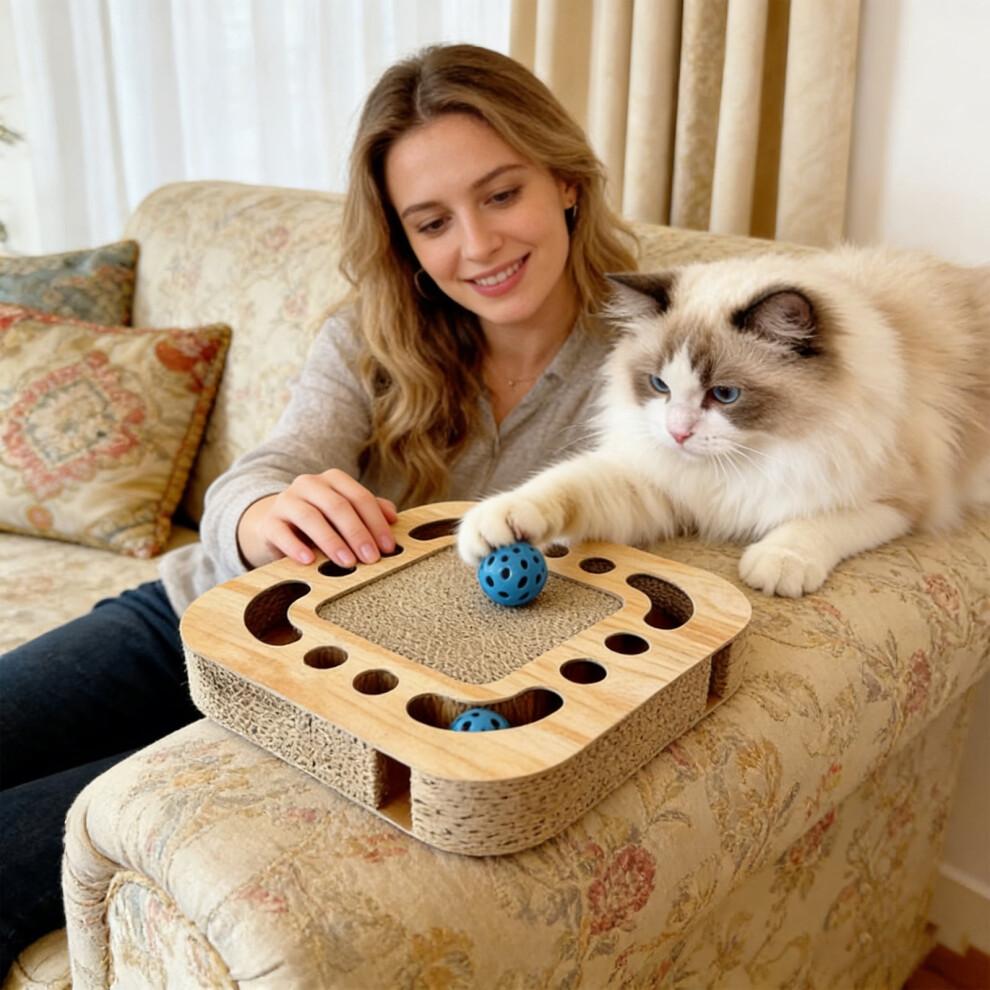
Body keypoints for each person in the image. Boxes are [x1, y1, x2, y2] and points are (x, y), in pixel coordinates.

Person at [0, 42, 637, 973]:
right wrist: (263, 514)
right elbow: (267, 470)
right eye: (432, 222)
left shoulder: (658, 363)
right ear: (404, 240)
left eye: (502, 195)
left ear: (567, 182)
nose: (478, 246)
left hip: (331, 710)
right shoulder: (372, 335)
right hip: (191, 615)